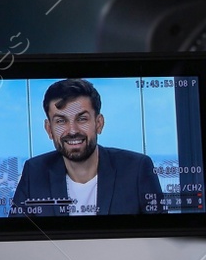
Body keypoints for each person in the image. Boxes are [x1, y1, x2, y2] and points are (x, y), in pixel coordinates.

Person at [9, 78, 163, 216]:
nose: (73, 130)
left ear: (99, 124)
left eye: (82, 119)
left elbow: (160, 238)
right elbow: (16, 240)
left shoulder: (137, 169)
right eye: (61, 121)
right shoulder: (34, 172)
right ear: (49, 129)